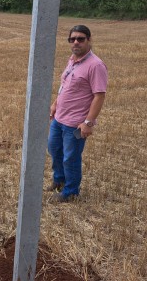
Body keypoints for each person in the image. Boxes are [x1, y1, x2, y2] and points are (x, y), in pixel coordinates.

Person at [47, 25, 108, 202]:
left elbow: (99, 96)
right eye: (72, 39)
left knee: (70, 158)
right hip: (59, 118)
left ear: (89, 40)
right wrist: (55, 103)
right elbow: (65, 85)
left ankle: (71, 191)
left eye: (80, 39)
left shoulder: (96, 65)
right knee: (54, 150)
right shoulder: (72, 60)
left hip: (75, 123)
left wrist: (88, 122)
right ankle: (59, 180)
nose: (76, 42)